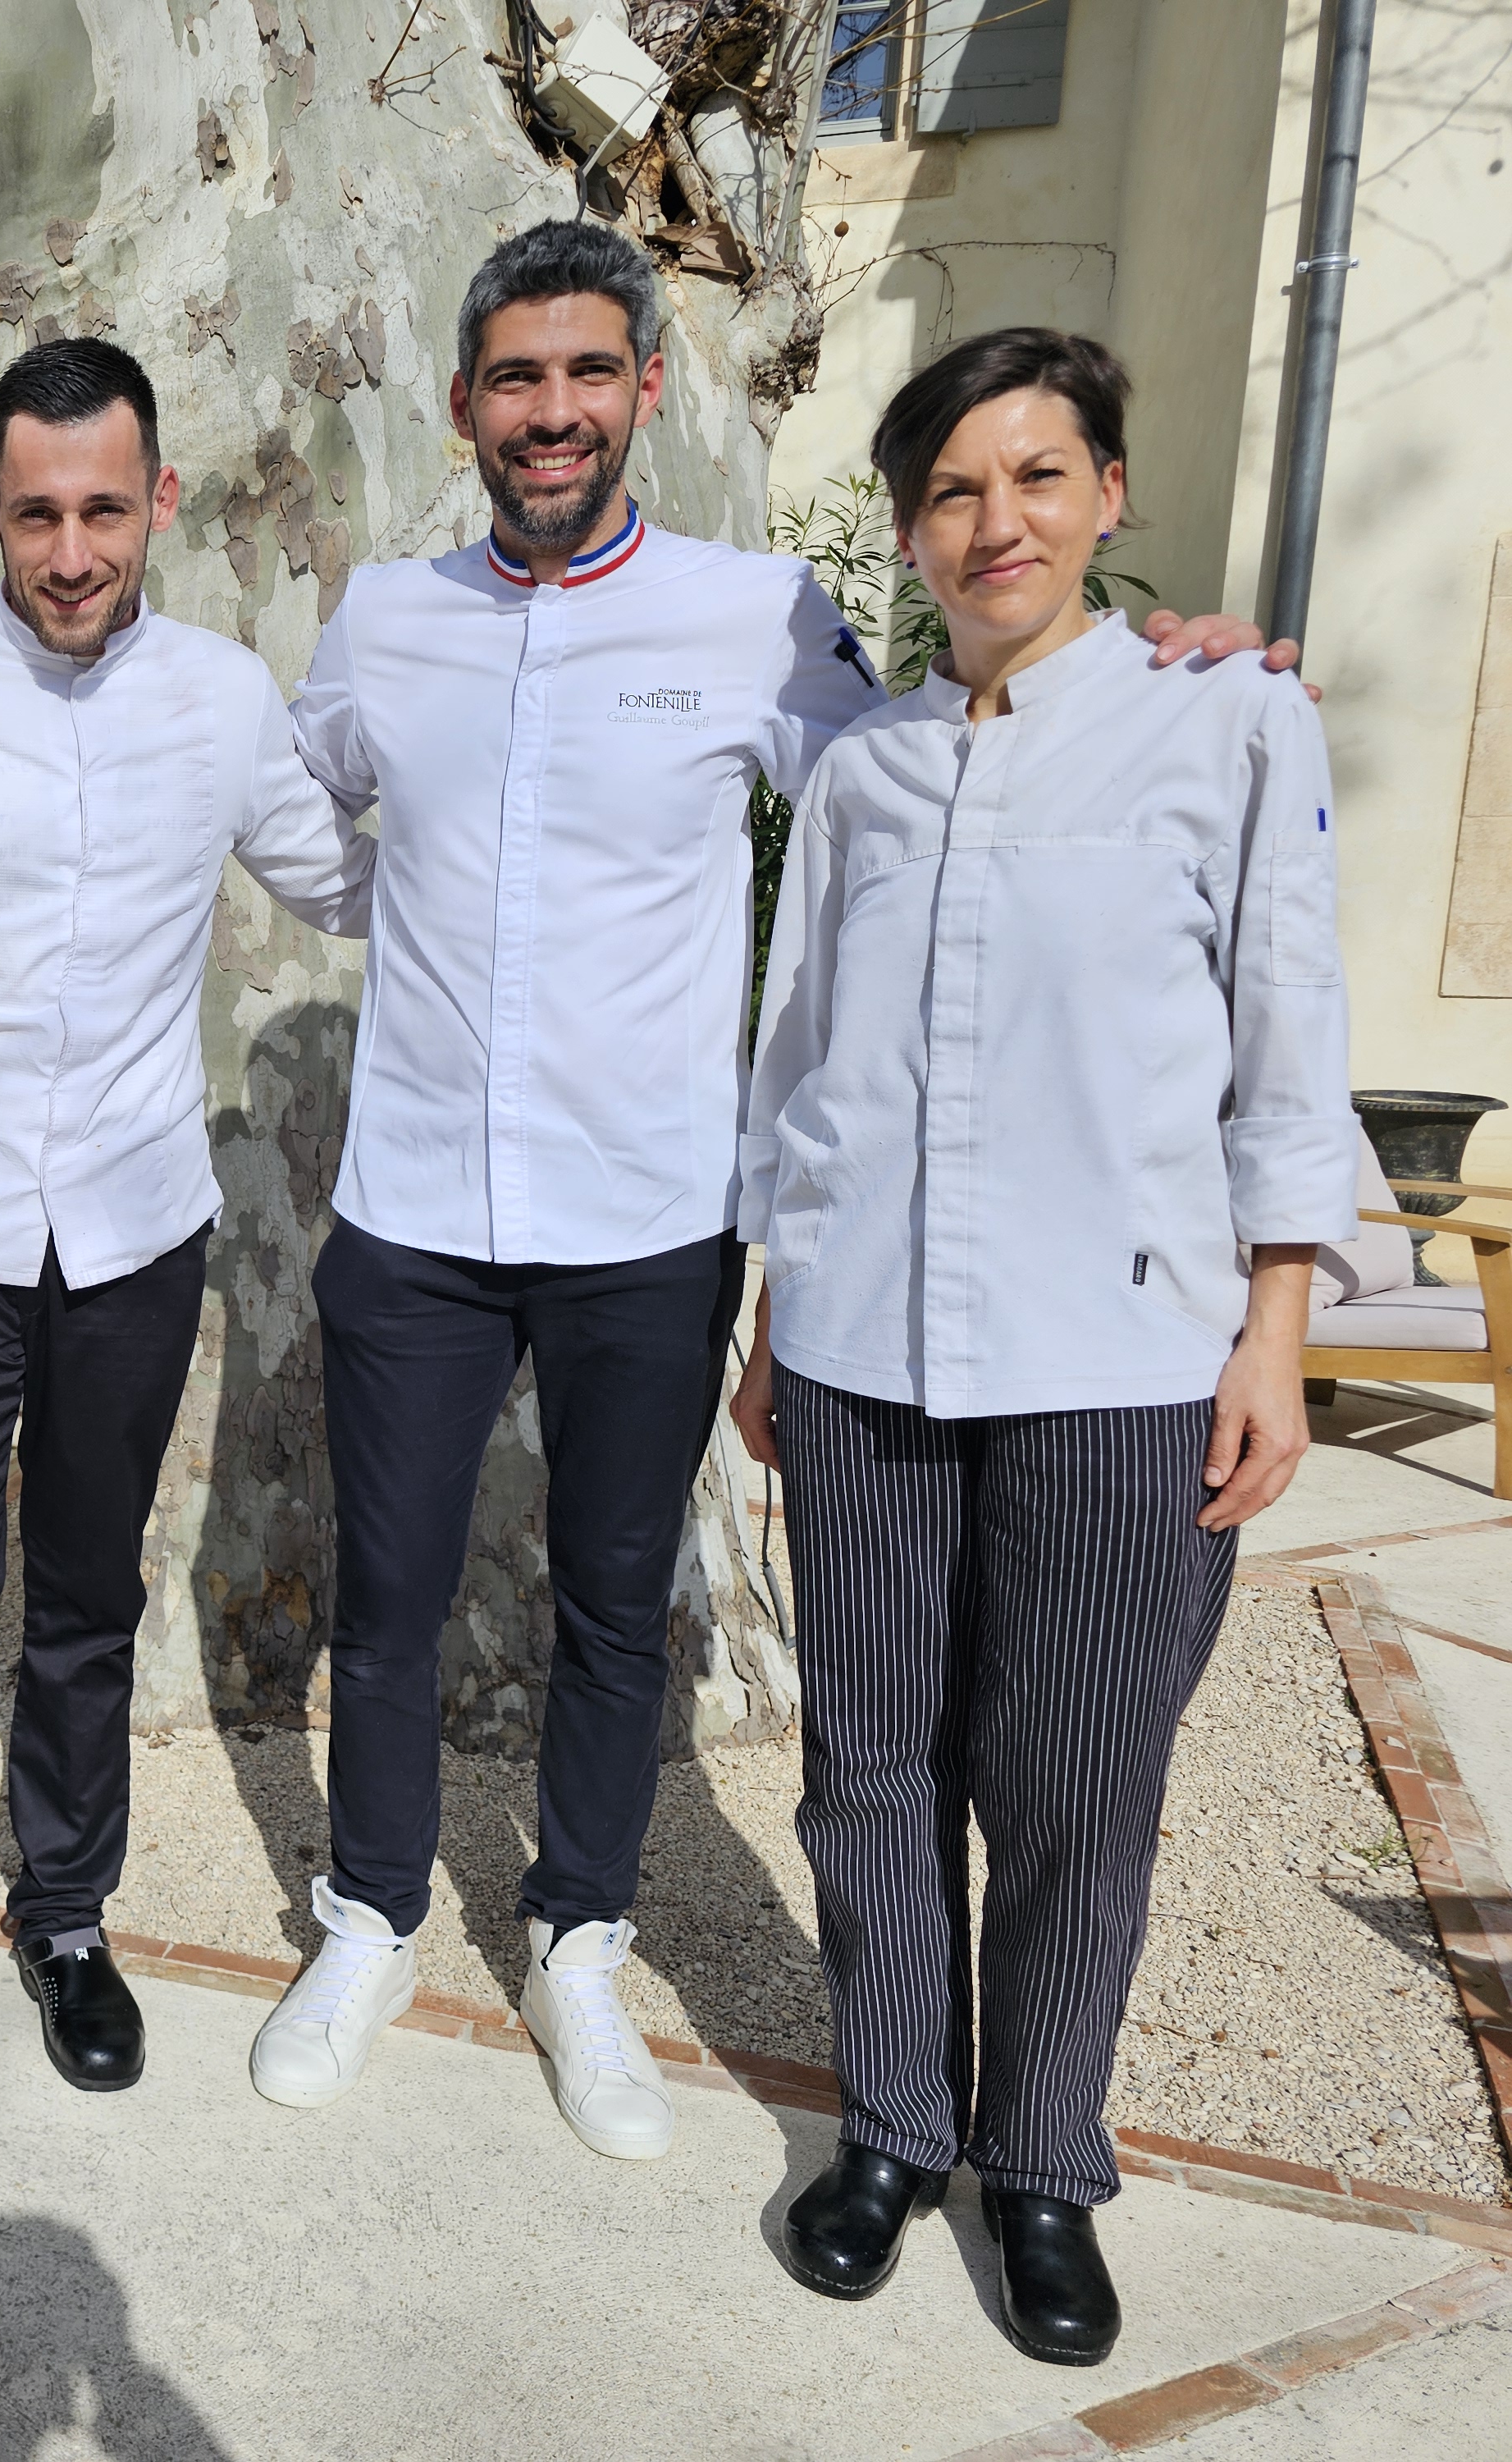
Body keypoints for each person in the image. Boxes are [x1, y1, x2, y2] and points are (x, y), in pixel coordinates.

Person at [247, 222, 1296, 2163]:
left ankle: (575, 1937)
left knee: (613, 1609)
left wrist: (1158, 676)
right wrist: (411, 906)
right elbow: (297, 810)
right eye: (512, 377)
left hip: (649, 1222)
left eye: (586, 372)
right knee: (385, 1599)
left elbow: (934, 774)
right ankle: (369, 1919)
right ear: (460, 402)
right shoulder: (384, 621)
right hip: (412, 1210)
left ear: (644, 389)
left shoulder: (753, 616)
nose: (549, 410)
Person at [729, 330, 1350, 2365]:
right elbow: (802, 1063)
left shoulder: (1223, 722)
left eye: (1034, 476)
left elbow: (1285, 1039)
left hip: (1123, 1349)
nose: (992, 523)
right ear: (908, 531)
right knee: (867, 1769)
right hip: (862, 1350)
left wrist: (1274, 1330)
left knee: (1077, 1782)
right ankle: (893, 2128)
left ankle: (1042, 2161)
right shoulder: (864, 771)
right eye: (949, 491)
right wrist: (776, 1304)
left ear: (1103, 495)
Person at [0, 338, 375, 2150]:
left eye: (104, 509)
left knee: (90, 1600)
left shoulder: (220, 698)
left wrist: (489, 766)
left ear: (159, 500)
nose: (71, 550)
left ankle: (63, 1918)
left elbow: (342, 878)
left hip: (131, 1227)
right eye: (34, 513)